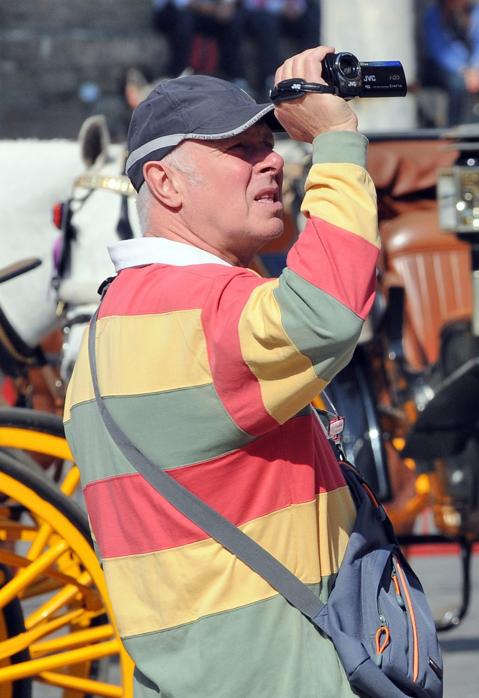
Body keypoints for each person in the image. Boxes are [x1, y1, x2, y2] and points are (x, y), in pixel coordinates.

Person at [63, 47, 376, 696]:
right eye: (239, 149)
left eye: (270, 143)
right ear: (164, 183)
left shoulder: (122, 318)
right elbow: (328, 313)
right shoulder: (199, 316)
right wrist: (338, 144)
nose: (271, 161)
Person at [421, 0, 479, 124]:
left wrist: (477, 68)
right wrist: (463, 70)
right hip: (447, 69)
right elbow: (439, 51)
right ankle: (455, 128)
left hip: (475, 69)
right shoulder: (433, 15)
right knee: (458, 86)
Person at [231, 0, 322, 95]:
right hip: (247, 12)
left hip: (283, 12)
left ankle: (312, 70)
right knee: (259, 21)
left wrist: (295, 5)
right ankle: (240, 78)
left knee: (312, 15)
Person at [151, 0, 243, 80]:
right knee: (185, 22)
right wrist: (198, 6)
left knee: (233, 22)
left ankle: (231, 76)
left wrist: (225, 7)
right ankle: (178, 73)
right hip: (170, 12)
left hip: (203, 12)